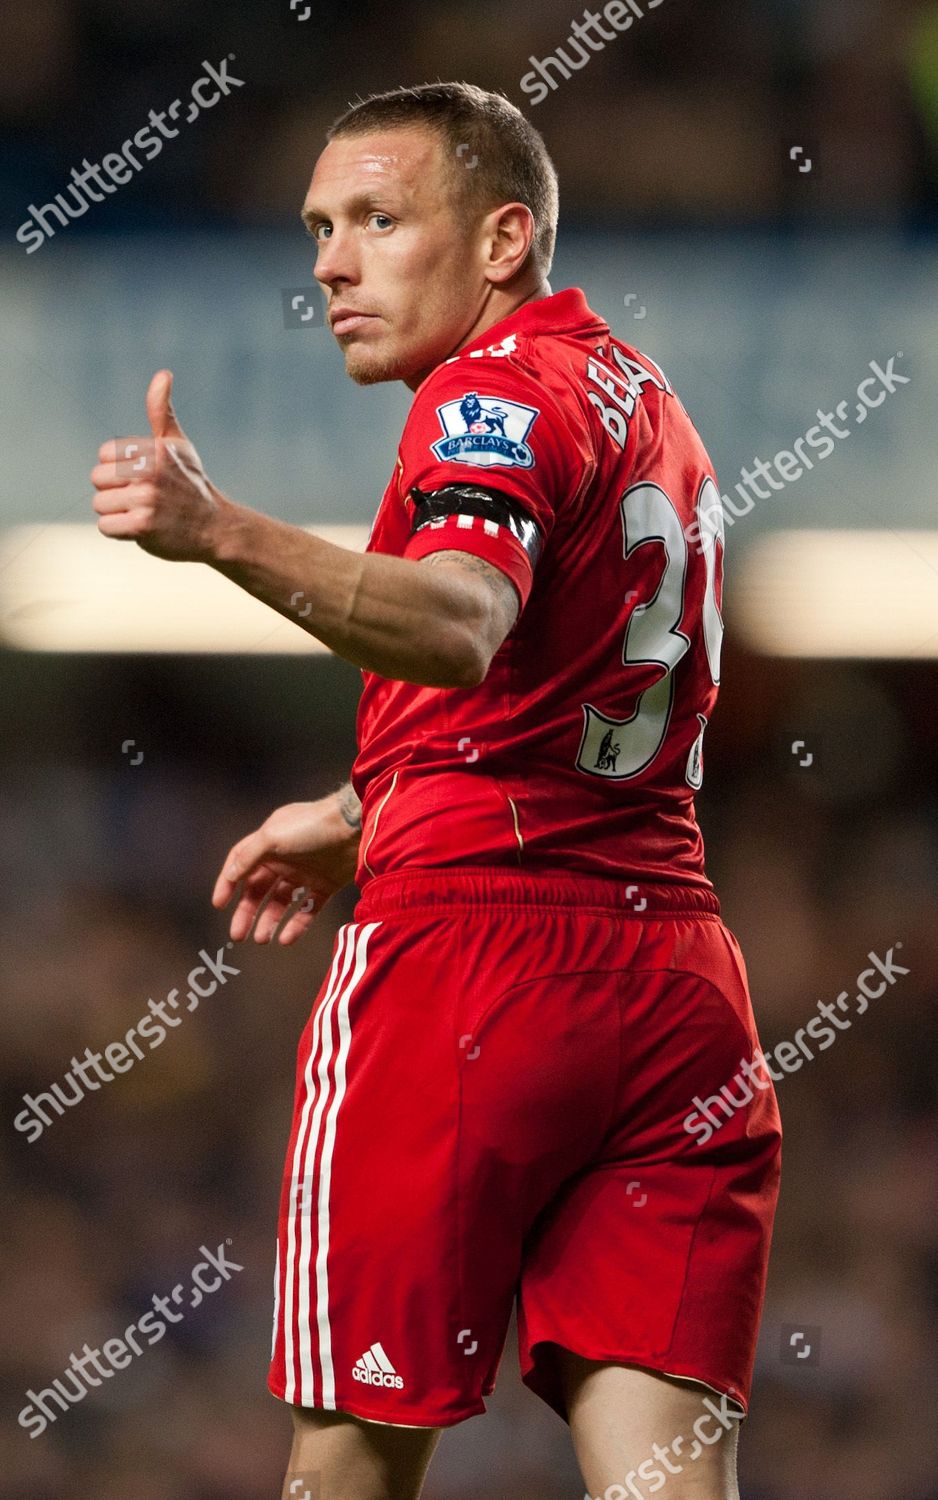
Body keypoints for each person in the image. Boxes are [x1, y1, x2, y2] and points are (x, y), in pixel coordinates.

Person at [90, 81, 781, 1500]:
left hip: (475, 974)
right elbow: (565, 692)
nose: (332, 265)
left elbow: (463, 619)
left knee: (349, 1455)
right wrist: (362, 814)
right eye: (319, 229)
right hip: (676, 989)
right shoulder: (642, 397)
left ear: (503, 238)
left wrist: (215, 530)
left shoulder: (490, 393)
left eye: (379, 218)